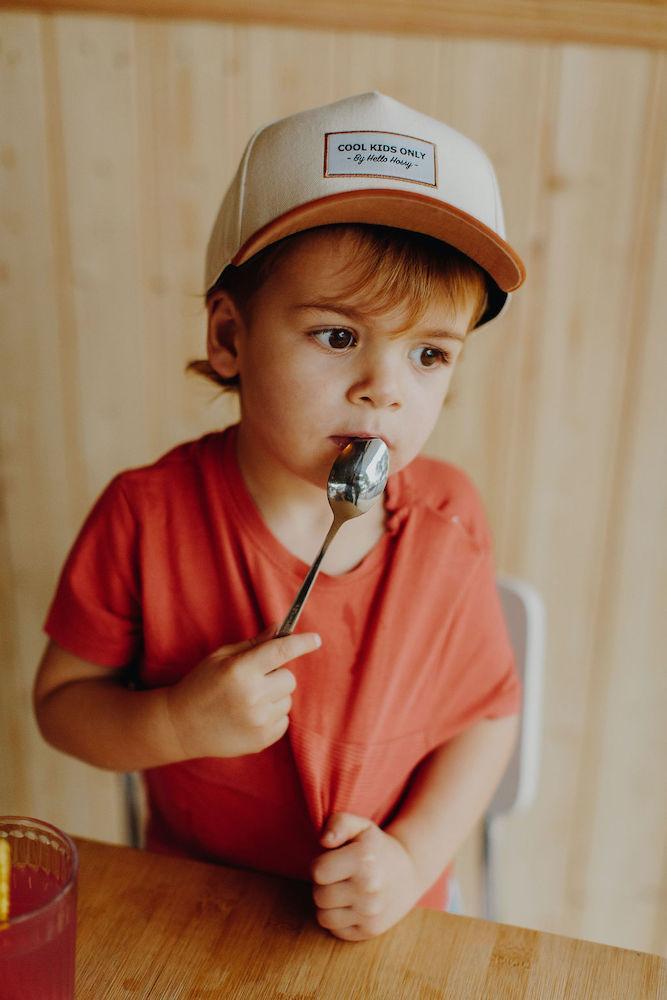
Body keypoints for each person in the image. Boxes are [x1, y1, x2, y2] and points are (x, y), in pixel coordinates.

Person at [33, 91, 526, 941]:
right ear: (230, 338)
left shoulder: (447, 518)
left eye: (428, 354)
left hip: (392, 918)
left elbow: (485, 717)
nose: (386, 387)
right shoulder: (145, 515)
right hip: (191, 913)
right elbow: (63, 703)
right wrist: (174, 721)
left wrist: (409, 859)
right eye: (337, 337)